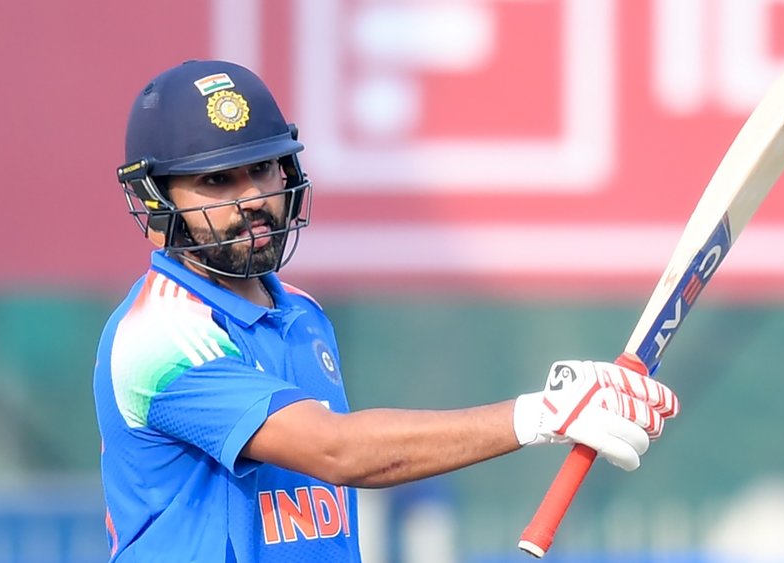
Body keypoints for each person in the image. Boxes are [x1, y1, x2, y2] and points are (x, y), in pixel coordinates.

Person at [93, 59, 680, 562]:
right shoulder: (161, 337)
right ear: (154, 199)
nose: (254, 199)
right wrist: (541, 414)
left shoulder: (302, 314)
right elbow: (338, 451)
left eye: (264, 168)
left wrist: (553, 412)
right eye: (218, 180)